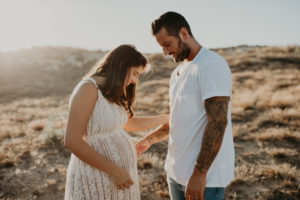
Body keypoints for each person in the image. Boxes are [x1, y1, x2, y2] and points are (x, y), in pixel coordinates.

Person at [135, 11, 235, 200]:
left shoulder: (211, 64)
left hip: (204, 181)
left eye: (167, 44)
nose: (165, 52)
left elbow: (218, 122)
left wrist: (199, 174)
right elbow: (178, 119)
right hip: (175, 174)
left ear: (183, 33)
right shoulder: (178, 73)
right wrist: (150, 139)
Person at [64, 44, 169, 200]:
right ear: (121, 65)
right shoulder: (87, 89)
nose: (134, 80)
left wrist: (165, 118)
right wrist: (114, 171)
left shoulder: (112, 91)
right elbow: (72, 141)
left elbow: (128, 123)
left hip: (117, 180)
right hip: (96, 177)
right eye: (134, 73)